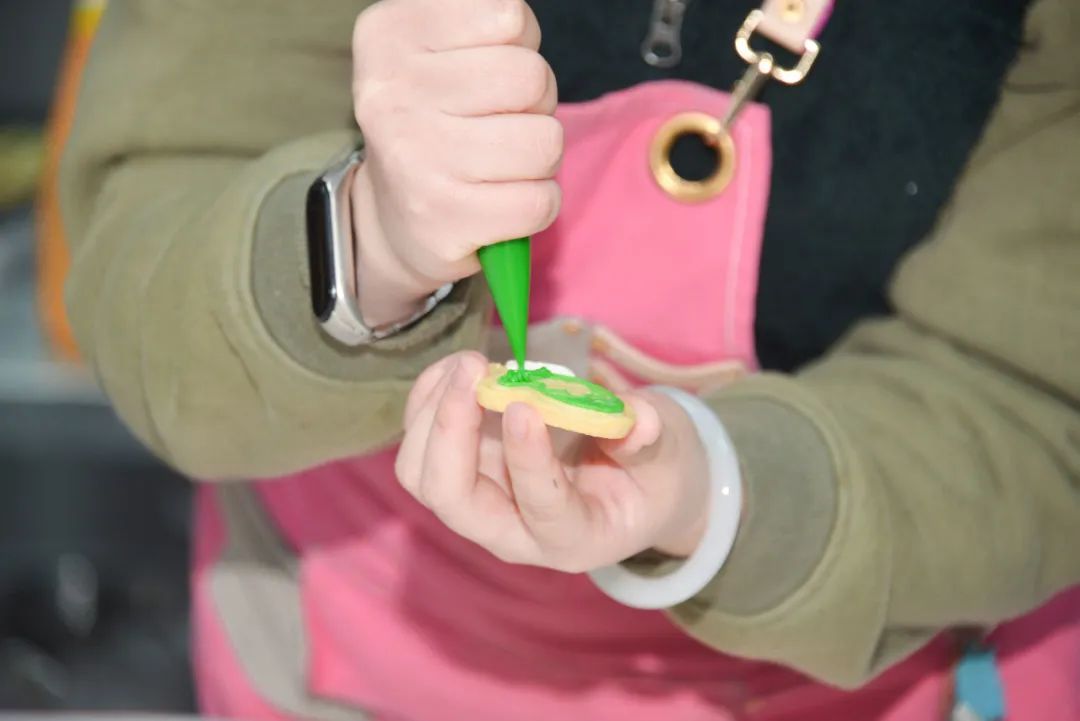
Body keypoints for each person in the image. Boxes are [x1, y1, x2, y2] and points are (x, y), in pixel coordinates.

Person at [59, 1, 1078, 719]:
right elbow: (146, 278)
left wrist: (716, 492)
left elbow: (1028, 399)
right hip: (340, 652)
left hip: (863, 668)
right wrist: (365, 246)